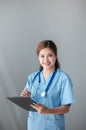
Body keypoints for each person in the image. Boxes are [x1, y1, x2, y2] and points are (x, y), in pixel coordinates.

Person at [20, 40, 75, 130]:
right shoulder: (32, 77)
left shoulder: (63, 78)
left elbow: (66, 108)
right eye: (42, 56)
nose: (46, 60)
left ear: (56, 56)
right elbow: (26, 101)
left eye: (50, 55)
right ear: (38, 57)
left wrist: (48, 111)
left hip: (53, 126)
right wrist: (25, 98)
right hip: (34, 124)